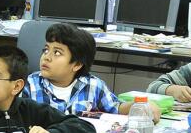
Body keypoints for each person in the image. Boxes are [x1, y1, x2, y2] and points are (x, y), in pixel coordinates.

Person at [27, 22, 159, 121]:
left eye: (57, 52)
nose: (47, 57)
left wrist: (140, 106)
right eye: (46, 50)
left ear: (77, 64)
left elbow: (116, 108)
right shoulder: (30, 86)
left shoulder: (93, 86)